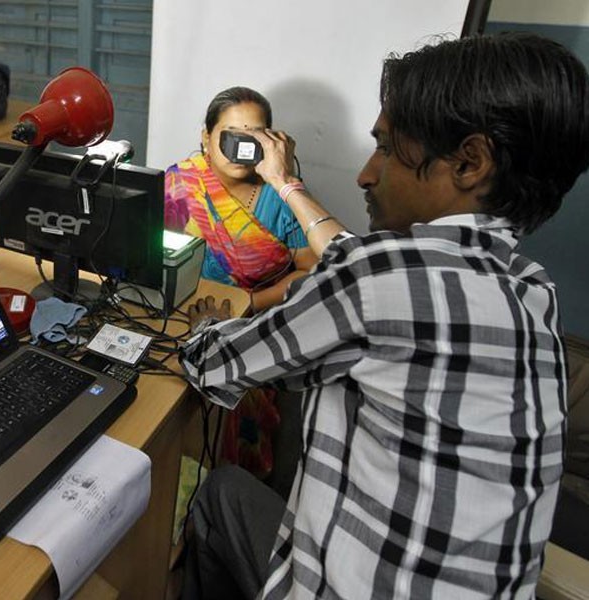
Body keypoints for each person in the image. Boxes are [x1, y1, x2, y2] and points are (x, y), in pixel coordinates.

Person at [179, 32, 589, 600]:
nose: (365, 175)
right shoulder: (532, 289)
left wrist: (203, 323)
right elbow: (349, 257)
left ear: (469, 162)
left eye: (388, 149)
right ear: (206, 137)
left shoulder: (381, 276)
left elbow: (213, 362)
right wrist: (285, 178)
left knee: (220, 492)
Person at [164, 87, 318, 312]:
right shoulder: (180, 182)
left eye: (252, 137)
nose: (239, 148)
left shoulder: (282, 194)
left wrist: (248, 306)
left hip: (260, 317)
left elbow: (310, 271)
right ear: (207, 137)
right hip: (181, 309)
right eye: (230, 135)